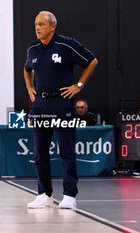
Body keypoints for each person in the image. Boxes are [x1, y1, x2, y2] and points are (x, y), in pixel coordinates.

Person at [24, 11, 98, 209]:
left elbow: (92, 61)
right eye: (35, 24)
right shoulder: (33, 47)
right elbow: (26, 69)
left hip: (61, 103)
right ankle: (44, 194)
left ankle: (70, 195)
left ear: (52, 26)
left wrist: (79, 86)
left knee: (66, 151)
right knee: (40, 153)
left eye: (41, 24)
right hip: (40, 105)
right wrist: (30, 88)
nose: (37, 27)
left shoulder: (66, 45)